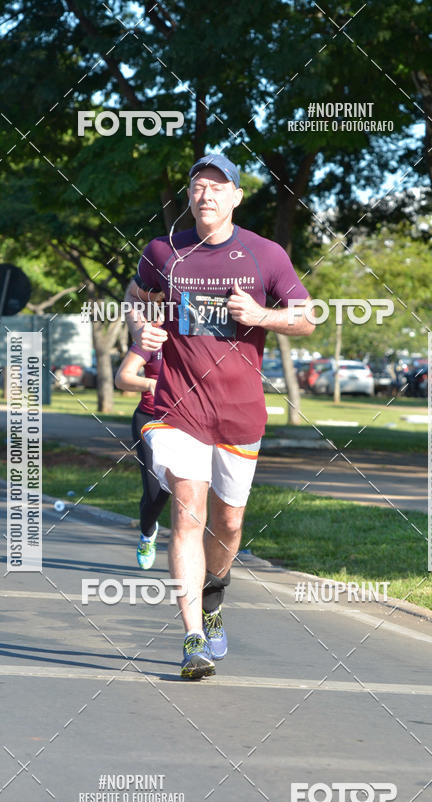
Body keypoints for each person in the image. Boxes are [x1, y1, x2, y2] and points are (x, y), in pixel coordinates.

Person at [127, 153, 314, 679]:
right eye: (197, 186)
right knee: (188, 508)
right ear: (189, 196)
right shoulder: (163, 250)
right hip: (176, 407)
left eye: (217, 186)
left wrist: (261, 316)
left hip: (239, 414)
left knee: (229, 522)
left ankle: (214, 596)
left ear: (235, 197)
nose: (205, 194)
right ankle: (191, 639)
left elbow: (306, 318)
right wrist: (139, 327)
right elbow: (135, 297)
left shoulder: (264, 254)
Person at [114, 341, 170, 569]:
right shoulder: (153, 336)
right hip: (150, 420)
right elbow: (122, 378)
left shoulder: (199, 336)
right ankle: (148, 533)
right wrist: (150, 383)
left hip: (188, 422)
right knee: (156, 490)